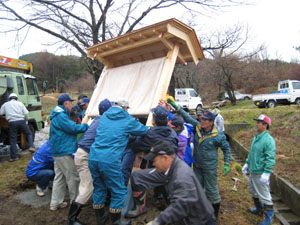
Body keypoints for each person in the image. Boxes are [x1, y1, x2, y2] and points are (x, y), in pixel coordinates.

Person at [167, 98, 231, 219]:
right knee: (197, 188)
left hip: (209, 168)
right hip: (197, 166)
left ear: (211, 122)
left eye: (205, 120)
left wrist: (227, 163)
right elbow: (187, 118)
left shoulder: (218, 136)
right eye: (201, 119)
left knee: (212, 191)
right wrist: (177, 107)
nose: (202, 121)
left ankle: (214, 215)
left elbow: (227, 149)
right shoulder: (198, 128)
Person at [88, 100, 148, 225]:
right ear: (124, 108)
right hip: (109, 159)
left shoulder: (104, 116)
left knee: (99, 188)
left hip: (93, 157)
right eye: (127, 108)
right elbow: (143, 130)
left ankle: (101, 219)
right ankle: (117, 221)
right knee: (119, 191)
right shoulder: (126, 119)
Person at [130, 140, 216, 225]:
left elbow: (181, 205)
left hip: (201, 221)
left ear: (165, 157)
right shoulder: (170, 169)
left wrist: (158, 221)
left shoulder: (182, 176)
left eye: (154, 160)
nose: (153, 164)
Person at [67, 99, 113, 225]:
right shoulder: (103, 122)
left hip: (86, 154)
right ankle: (71, 219)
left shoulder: (98, 119)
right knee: (87, 187)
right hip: (84, 155)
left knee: (98, 182)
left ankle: (101, 212)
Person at [49, 94, 89, 211]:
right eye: (70, 103)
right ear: (65, 103)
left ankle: (55, 203)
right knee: (73, 176)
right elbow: (72, 128)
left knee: (60, 177)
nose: (72, 105)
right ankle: (76, 201)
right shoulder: (61, 116)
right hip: (64, 150)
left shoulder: (58, 115)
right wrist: (87, 126)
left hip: (58, 151)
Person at [242, 114, 276, 225]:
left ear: (265, 125)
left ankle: (269, 216)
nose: (256, 124)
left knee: (265, 195)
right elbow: (252, 152)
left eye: (259, 122)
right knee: (253, 191)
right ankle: (259, 209)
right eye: (257, 122)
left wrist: (266, 173)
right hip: (253, 170)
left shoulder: (268, 140)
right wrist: (247, 163)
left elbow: (270, 158)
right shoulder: (256, 137)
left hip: (260, 172)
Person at [0, 93, 36, 161]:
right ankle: (31, 146)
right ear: (16, 98)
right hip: (21, 121)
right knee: (28, 133)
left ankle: (14, 157)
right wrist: (26, 120)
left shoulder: (5, 104)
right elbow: (26, 113)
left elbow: (1, 113)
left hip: (12, 122)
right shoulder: (20, 103)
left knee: (13, 139)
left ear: (9, 98)